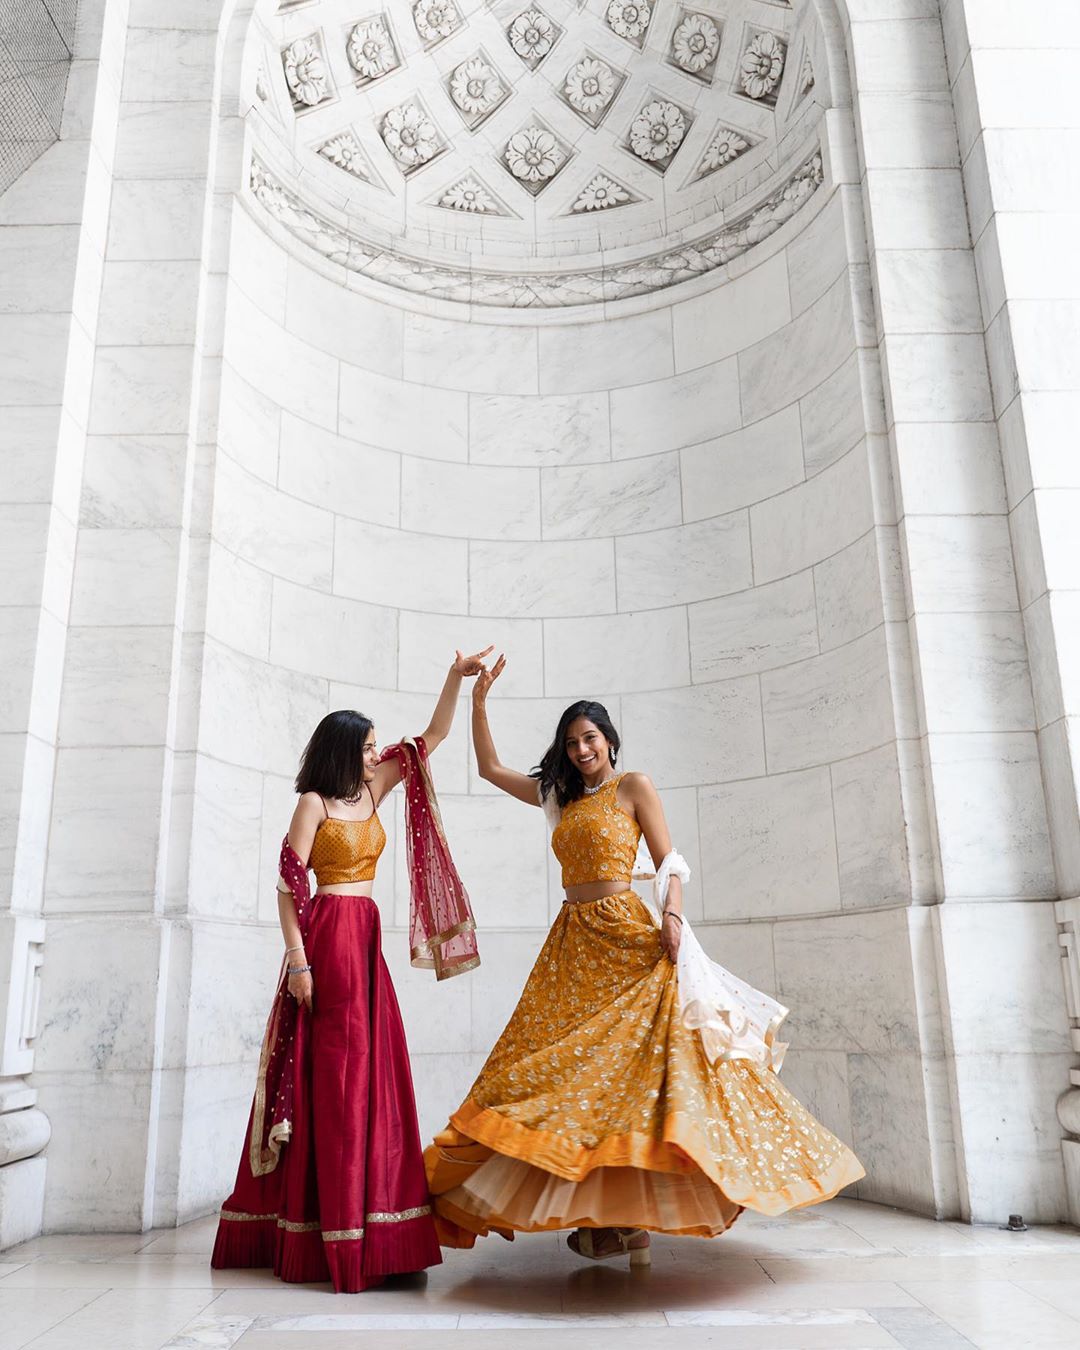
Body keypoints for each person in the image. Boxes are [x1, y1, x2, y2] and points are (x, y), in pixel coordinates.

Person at [425, 657, 864, 1265]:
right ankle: (612, 1221)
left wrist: (674, 916)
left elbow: (669, 861)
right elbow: (490, 768)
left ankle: (628, 1222)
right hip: (573, 948)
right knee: (551, 1073)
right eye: (573, 742)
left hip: (628, 936)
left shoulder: (633, 787)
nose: (581, 750)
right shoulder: (559, 797)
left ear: (609, 741)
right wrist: (478, 701)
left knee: (636, 1076)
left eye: (590, 739)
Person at [212, 648, 490, 1293]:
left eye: (375, 748)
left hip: (365, 939)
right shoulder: (312, 802)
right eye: (366, 746)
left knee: (372, 1071)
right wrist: (298, 962)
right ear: (342, 749)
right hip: (326, 940)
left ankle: (376, 1231)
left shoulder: (375, 789)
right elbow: (287, 885)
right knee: (335, 1075)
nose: (376, 754)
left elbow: (435, 737)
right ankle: (333, 1235)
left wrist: (455, 676)